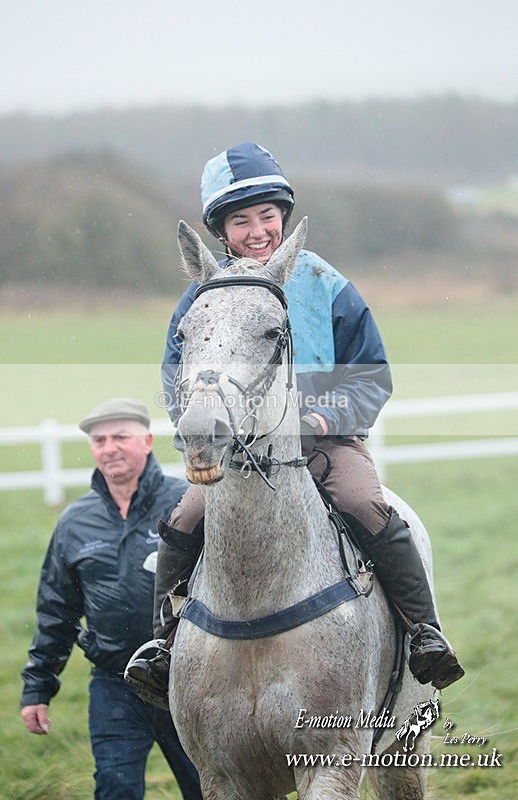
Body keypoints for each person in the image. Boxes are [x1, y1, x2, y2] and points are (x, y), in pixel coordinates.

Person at [125, 143, 464, 705]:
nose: (257, 230)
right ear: (221, 229)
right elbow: (175, 376)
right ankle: (162, 645)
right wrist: (206, 427)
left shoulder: (326, 284)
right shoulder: (203, 296)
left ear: (283, 214)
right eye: (241, 220)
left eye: (266, 216)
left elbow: (372, 376)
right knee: (183, 519)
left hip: (326, 441)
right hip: (237, 455)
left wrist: (320, 415)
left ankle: (424, 634)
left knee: (365, 506)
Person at [20, 398, 202, 800]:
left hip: (188, 679)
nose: (110, 447)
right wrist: (38, 689)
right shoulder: (75, 522)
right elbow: (56, 611)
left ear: (148, 441)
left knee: (210, 790)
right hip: (114, 684)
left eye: (121, 436)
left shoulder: (188, 505)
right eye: (99, 440)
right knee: (115, 788)